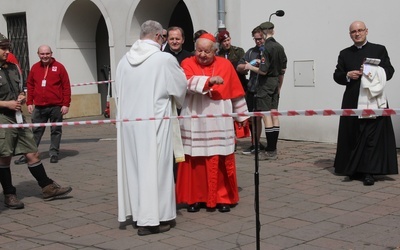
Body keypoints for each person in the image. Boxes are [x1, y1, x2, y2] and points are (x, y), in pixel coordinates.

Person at [115, 20, 187, 236]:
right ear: (158, 36)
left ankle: (139, 214)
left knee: (136, 170)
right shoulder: (163, 59)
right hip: (156, 122)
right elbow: (179, 87)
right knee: (158, 170)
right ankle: (156, 219)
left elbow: (118, 93)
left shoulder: (123, 61)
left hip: (130, 125)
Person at [176, 33, 249, 213]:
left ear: (215, 51)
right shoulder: (187, 63)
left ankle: (221, 198)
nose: (202, 55)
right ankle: (195, 198)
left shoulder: (225, 65)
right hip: (195, 118)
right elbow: (186, 83)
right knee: (195, 161)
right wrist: (209, 81)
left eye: (206, 51)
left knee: (220, 158)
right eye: (199, 50)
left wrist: (242, 118)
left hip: (219, 119)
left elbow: (235, 92)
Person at [0, 33, 72, 209]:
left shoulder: (12, 68)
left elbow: (22, 88)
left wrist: (22, 96)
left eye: (7, 48)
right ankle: (9, 194)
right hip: (2, 117)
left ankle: (47, 187)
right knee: (4, 158)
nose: (7, 51)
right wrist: (6, 103)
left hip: (17, 116)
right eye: (3, 48)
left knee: (32, 153)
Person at [333, 21, 398, 186]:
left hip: (373, 99)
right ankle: (353, 169)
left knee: (370, 136)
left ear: (366, 31)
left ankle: (369, 171)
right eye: (353, 31)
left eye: (360, 30)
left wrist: (372, 71)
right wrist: (348, 75)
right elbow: (337, 75)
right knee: (354, 134)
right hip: (352, 99)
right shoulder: (344, 53)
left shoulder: (379, 49)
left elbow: (389, 71)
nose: (357, 33)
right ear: (350, 34)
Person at [14, 45, 71, 165]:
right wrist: (30, 102)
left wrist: (66, 104)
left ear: (51, 53)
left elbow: (66, 86)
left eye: (47, 54)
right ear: (38, 54)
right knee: (35, 131)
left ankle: (54, 153)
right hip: (39, 106)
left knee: (56, 130)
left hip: (56, 106)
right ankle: (30, 154)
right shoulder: (35, 68)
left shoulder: (59, 67)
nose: (45, 56)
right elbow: (30, 85)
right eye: (42, 54)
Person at [253, 21, 287, 160]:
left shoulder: (266, 48)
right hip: (275, 82)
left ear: (264, 32)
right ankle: (273, 147)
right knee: (274, 115)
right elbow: (283, 69)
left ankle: (270, 149)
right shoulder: (279, 46)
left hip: (266, 83)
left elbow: (263, 70)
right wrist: (279, 85)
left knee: (266, 115)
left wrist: (249, 67)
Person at [237, 27, 267, 155]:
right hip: (252, 88)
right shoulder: (250, 52)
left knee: (268, 117)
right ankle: (255, 143)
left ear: (264, 37)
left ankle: (271, 146)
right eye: (255, 39)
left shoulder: (268, 50)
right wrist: (249, 65)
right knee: (254, 118)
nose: (258, 41)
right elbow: (239, 67)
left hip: (265, 89)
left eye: (260, 39)